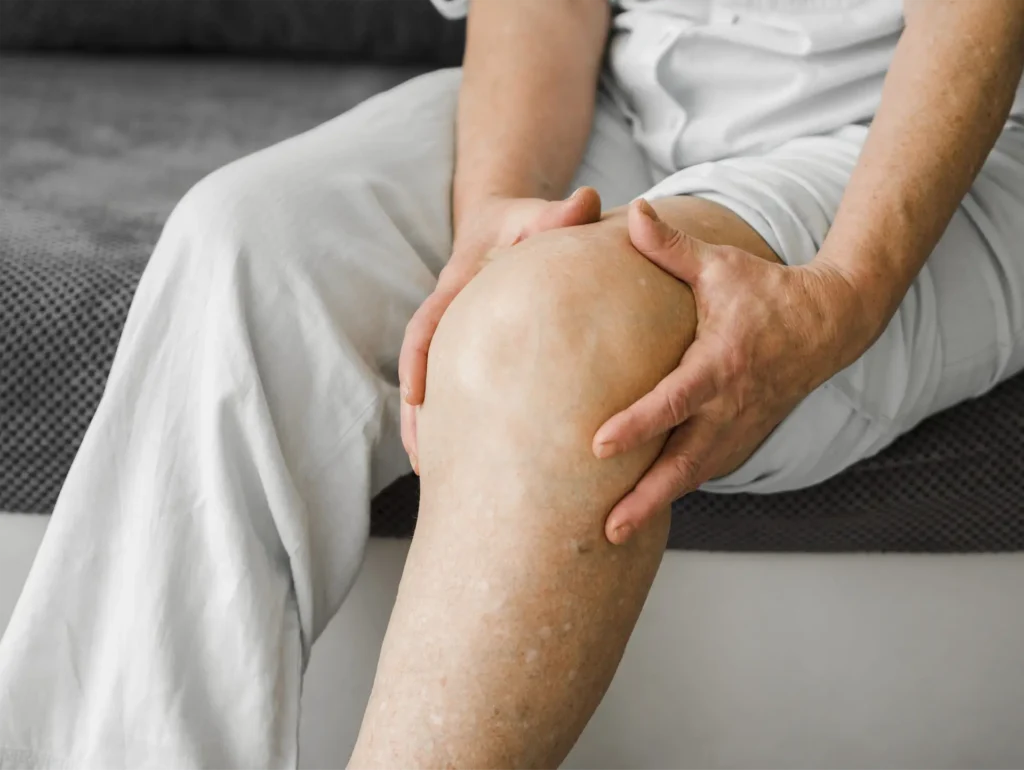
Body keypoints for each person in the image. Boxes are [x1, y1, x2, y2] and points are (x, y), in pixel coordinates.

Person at [1, 0, 1023, 767]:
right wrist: (493, 209)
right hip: (629, 95)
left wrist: (843, 290)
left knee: (553, 331)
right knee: (247, 244)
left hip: (931, 138)